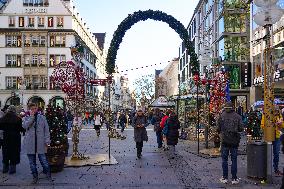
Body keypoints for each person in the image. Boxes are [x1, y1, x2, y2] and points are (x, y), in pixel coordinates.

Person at [22, 103, 51, 184]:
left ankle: (48, 173)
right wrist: (31, 117)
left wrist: (47, 140)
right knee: (32, 162)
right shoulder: (25, 118)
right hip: (30, 143)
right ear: (29, 109)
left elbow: (46, 130)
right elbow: (25, 126)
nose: (34, 110)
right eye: (32, 109)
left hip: (40, 142)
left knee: (43, 160)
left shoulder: (42, 118)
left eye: (35, 108)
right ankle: (35, 176)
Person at [217, 102, 243, 185]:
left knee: (224, 160)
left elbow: (218, 129)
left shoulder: (221, 116)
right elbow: (241, 128)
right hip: (234, 141)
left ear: (225, 108)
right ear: (233, 107)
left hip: (224, 141)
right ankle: (234, 179)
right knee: (234, 160)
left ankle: (224, 178)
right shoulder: (238, 116)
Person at [0, 105, 25, 174]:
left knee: (5, 152)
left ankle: (5, 168)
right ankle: (12, 169)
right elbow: (21, 129)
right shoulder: (18, 119)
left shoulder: (3, 118)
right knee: (14, 152)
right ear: (14, 110)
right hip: (15, 138)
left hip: (6, 137)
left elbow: (1, 127)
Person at [261, 108, 284, 176]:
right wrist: (270, 125)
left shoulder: (279, 115)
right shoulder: (266, 114)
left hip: (276, 136)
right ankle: (266, 169)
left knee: (276, 153)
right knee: (267, 153)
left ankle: (276, 169)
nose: (275, 112)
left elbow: (283, 125)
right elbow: (262, 125)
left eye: (276, 111)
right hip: (268, 136)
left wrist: (280, 124)